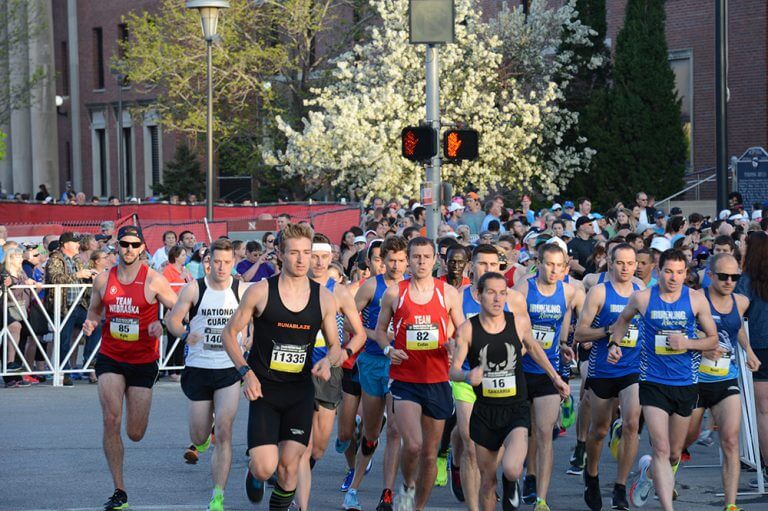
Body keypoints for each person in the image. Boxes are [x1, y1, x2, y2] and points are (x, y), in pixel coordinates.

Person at [219, 222, 344, 510]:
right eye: (294, 253)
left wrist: (329, 360)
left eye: (306, 252)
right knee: (265, 468)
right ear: (280, 254)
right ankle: (253, 472)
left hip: (300, 391)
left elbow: (336, 345)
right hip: (264, 389)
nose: (302, 260)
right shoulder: (260, 292)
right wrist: (245, 373)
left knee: (289, 468)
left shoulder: (324, 297)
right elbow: (229, 334)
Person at [609, 249, 718, 511]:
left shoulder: (696, 299)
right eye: (669, 271)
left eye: (680, 272)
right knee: (659, 446)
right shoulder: (643, 297)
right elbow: (623, 320)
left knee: (672, 453)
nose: (674, 277)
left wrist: (688, 343)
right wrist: (615, 343)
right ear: (659, 272)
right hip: (652, 381)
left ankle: (646, 474)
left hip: (684, 382)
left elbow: (712, 339)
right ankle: (667, 508)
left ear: (686, 274)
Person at [450, 272, 569, 511]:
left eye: (502, 293)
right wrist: (466, 375)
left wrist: (555, 377)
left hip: (515, 408)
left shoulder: (518, 322)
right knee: (487, 481)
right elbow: (453, 371)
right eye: (491, 292)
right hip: (484, 412)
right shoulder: (467, 329)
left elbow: (534, 348)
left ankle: (511, 482)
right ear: (479, 295)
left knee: (513, 468)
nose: (497, 298)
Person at [82, 225, 178, 511]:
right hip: (111, 358)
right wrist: (91, 322)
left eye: (135, 245)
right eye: (124, 244)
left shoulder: (154, 280)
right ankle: (119, 491)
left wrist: (161, 324)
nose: (129, 249)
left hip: (143, 362)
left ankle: (133, 427)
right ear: (117, 247)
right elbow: (95, 309)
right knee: (111, 419)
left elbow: (178, 307)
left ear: (141, 249)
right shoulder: (103, 279)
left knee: (135, 432)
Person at [374, 236, 464, 510]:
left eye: (427, 257)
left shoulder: (447, 293)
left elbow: (462, 331)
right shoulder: (394, 293)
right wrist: (390, 351)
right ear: (408, 260)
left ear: (435, 259)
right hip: (405, 380)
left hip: (437, 380)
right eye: (416, 257)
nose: (421, 262)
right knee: (412, 445)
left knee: (429, 453)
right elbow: (379, 331)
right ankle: (406, 485)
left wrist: (454, 345)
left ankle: (419, 506)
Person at [165, 239, 248, 511]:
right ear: (208, 261)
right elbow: (173, 320)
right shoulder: (194, 288)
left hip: (228, 369)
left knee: (224, 430)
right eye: (217, 261)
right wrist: (185, 334)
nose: (222, 267)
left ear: (233, 262)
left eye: (227, 262)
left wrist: (247, 340)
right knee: (199, 436)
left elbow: (256, 319)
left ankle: (218, 495)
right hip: (199, 368)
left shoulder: (241, 289)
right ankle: (202, 440)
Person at [682, 253, 760, 511]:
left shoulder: (740, 301)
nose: (729, 282)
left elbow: (735, 328)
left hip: (725, 377)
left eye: (734, 277)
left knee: (730, 441)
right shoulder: (695, 299)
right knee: (685, 439)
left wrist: (748, 351)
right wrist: (700, 347)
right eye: (723, 276)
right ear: (711, 275)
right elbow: (680, 331)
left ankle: (730, 504)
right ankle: (654, 471)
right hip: (694, 379)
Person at [295, 234, 366, 510]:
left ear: (332, 258)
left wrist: (343, 354)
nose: (319, 262)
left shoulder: (339, 291)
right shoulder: (293, 286)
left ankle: (289, 473)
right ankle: (292, 490)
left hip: (329, 369)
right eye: (314, 256)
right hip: (295, 367)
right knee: (299, 440)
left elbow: (358, 334)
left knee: (320, 447)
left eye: (324, 257)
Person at [575, 243, 643, 511]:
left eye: (630, 263)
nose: (625, 268)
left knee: (631, 424)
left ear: (636, 265)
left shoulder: (642, 292)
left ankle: (620, 487)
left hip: (633, 368)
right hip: (603, 369)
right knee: (600, 430)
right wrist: (607, 330)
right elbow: (580, 334)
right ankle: (591, 475)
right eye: (620, 263)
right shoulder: (599, 292)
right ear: (611, 264)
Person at [344, 236, 408, 511]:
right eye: (390, 259)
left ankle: (388, 493)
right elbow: (348, 321)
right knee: (371, 435)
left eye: (400, 260)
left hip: (402, 364)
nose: (395, 265)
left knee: (395, 430)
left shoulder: (413, 287)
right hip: (372, 361)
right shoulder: (372, 285)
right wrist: (377, 335)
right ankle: (354, 488)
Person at [515, 243, 577, 511]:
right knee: (522, 430)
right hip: (519, 370)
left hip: (547, 371)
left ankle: (541, 496)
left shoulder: (569, 291)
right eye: (548, 264)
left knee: (543, 432)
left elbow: (565, 316)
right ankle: (522, 477)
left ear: (565, 267)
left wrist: (565, 342)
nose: (553, 270)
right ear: (538, 263)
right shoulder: (524, 289)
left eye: (558, 265)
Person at [446, 244, 505, 511]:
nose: (488, 270)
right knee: (471, 443)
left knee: (491, 446)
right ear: (472, 266)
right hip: (466, 378)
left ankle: (478, 480)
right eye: (482, 264)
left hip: (500, 380)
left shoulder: (509, 298)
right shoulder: (457, 296)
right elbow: (448, 333)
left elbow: (523, 337)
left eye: (493, 265)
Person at [735, 231, 768, 484]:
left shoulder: (745, 281)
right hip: (758, 347)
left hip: (756, 347)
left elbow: (735, 316)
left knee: (763, 411)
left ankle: (766, 467)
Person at [44, 231, 94, 386]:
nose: (78, 244)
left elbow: (81, 279)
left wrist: (91, 277)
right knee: (64, 340)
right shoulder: (55, 259)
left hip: (80, 304)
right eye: (75, 242)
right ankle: (63, 373)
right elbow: (55, 279)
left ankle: (91, 364)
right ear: (65, 245)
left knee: (96, 326)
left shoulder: (77, 260)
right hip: (63, 306)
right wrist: (78, 275)